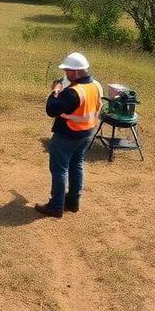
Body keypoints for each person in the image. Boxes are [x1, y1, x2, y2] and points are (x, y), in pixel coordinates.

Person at [35, 52, 102, 218]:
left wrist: (55, 91)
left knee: (59, 169)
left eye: (67, 71)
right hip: (86, 133)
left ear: (76, 72)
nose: (66, 74)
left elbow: (51, 110)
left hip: (67, 134)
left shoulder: (73, 92)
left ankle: (56, 206)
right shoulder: (95, 86)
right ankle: (73, 202)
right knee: (76, 165)